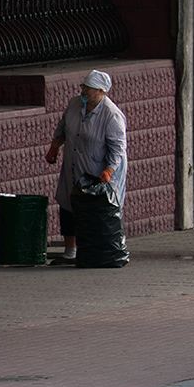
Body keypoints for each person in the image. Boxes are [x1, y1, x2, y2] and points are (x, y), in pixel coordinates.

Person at [44, 70, 128, 265]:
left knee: (93, 211)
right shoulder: (75, 104)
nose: (84, 92)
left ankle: (94, 250)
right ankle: (70, 251)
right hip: (72, 166)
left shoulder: (111, 115)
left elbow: (117, 149)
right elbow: (63, 128)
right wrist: (55, 146)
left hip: (95, 171)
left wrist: (108, 170)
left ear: (101, 91)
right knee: (67, 205)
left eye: (89, 89)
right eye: (83, 87)